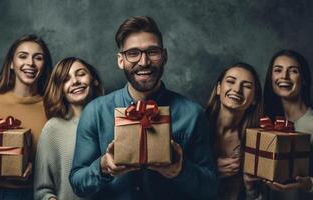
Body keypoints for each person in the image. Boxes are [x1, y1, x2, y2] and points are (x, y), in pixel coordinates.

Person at [69, 16, 218, 200]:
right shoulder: (95, 112)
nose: (144, 61)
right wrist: (103, 167)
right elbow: (77, 184)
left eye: (152, 52)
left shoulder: (193, 115)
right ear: (120, 60)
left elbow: (211, 189)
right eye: (133, 53)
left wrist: (181, 170)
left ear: (164, 56)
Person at [0, 34, 52, 199]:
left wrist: (34, 169)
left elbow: (59, 157)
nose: (30, 63)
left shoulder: (53, 108)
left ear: (44, 65)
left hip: (36, 195)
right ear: (12, 64)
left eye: (38, 58)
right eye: (23, 56)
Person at [34, 57, 103, 200]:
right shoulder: (53, 128)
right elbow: (42, 191)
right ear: (60, 89)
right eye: (65, 79)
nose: (75, 81)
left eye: (81, 74)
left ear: (94, 79)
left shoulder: (113, 121)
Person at [263, 49, 313, 199]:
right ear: (271, 77)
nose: (284, 76)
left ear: (303, 79)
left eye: (293, 71)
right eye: (278, 70)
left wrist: (307, 184)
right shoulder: (268, 122)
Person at [205, 63, 263, 200]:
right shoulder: (195, 126)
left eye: (247, 86)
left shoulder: (258, 143)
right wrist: (210, 172)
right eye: (231, 81)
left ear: (254, 99)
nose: (237, 89)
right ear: (219, 88)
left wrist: (251, 187)